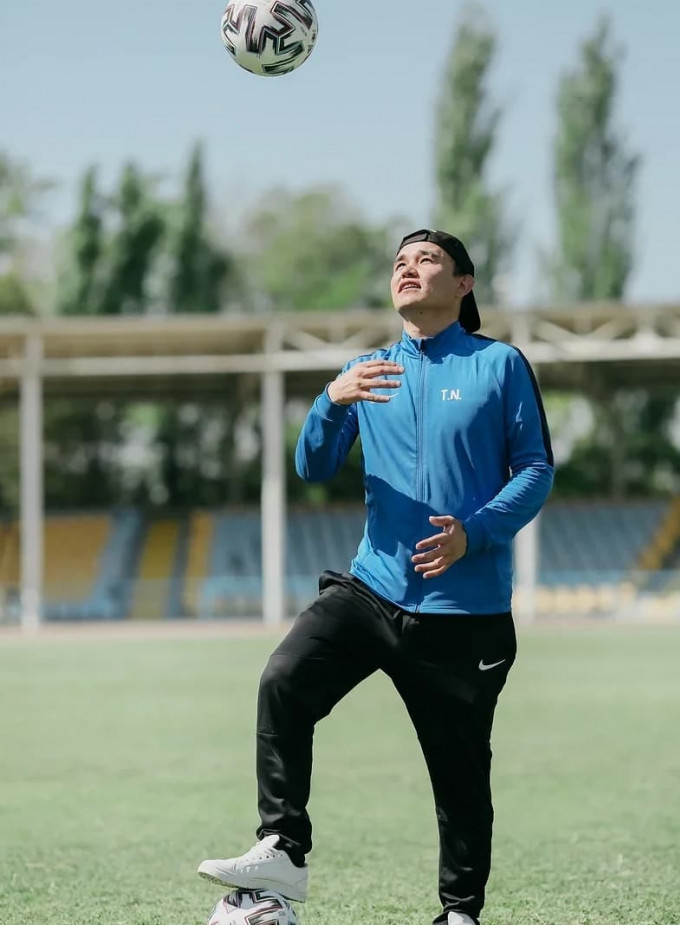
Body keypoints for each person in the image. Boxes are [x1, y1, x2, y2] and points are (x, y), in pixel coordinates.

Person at [198, 229, 555, 925]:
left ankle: (460, 913)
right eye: (400, 262)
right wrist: (331, 400)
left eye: (427, 260)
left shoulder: (499, 364)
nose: (408, 268)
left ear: (464, 284)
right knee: (284, 679)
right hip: (372, 589)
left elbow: (536, 468)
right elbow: (313, 467)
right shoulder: (367, 371)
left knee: (458, 773)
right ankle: (282, 847)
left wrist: (474, 532)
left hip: (464, 610)